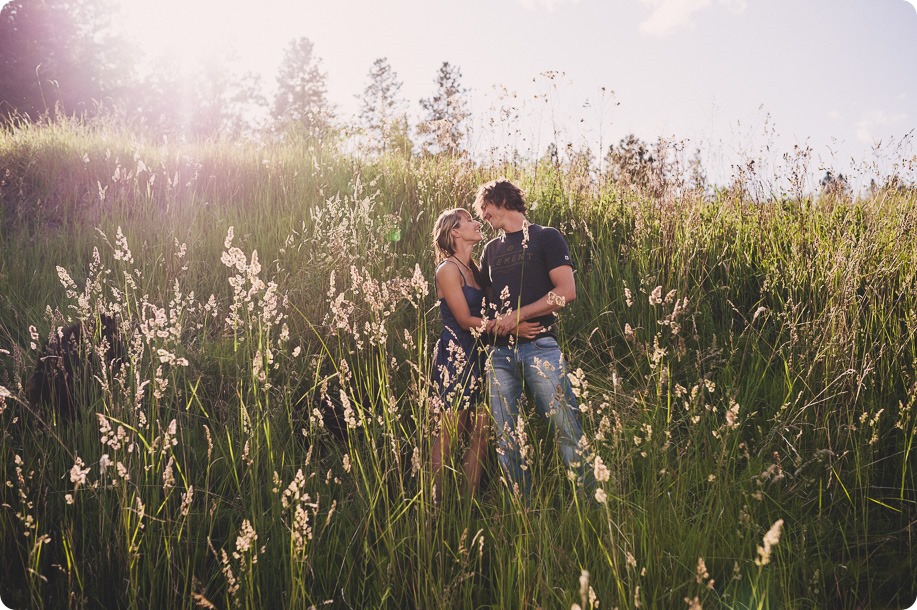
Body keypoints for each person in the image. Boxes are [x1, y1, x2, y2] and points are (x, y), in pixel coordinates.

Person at [473, 180, 591, 499]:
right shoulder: (491, 250)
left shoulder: (545, 237)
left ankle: (591, 506)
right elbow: (488, 308)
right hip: (499, 355)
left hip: (541, 347)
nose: (482, 215)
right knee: (506, 437)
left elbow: (566, 292)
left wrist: (518, 316)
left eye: (485, 208)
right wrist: (509, 326)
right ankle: (523, 512)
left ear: (501, 200)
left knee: (566, 427)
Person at [430, 208, 542, 501]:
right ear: (454, 232)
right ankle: (435, 508)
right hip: (456, 355)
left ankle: (467, 505)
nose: (476, 223)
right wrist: (511, 328)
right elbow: (465, 320)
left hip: (483, 355)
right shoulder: (447, 270)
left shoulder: (477, 271)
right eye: (468, 220)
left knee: (480, 434)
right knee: (450, 434)